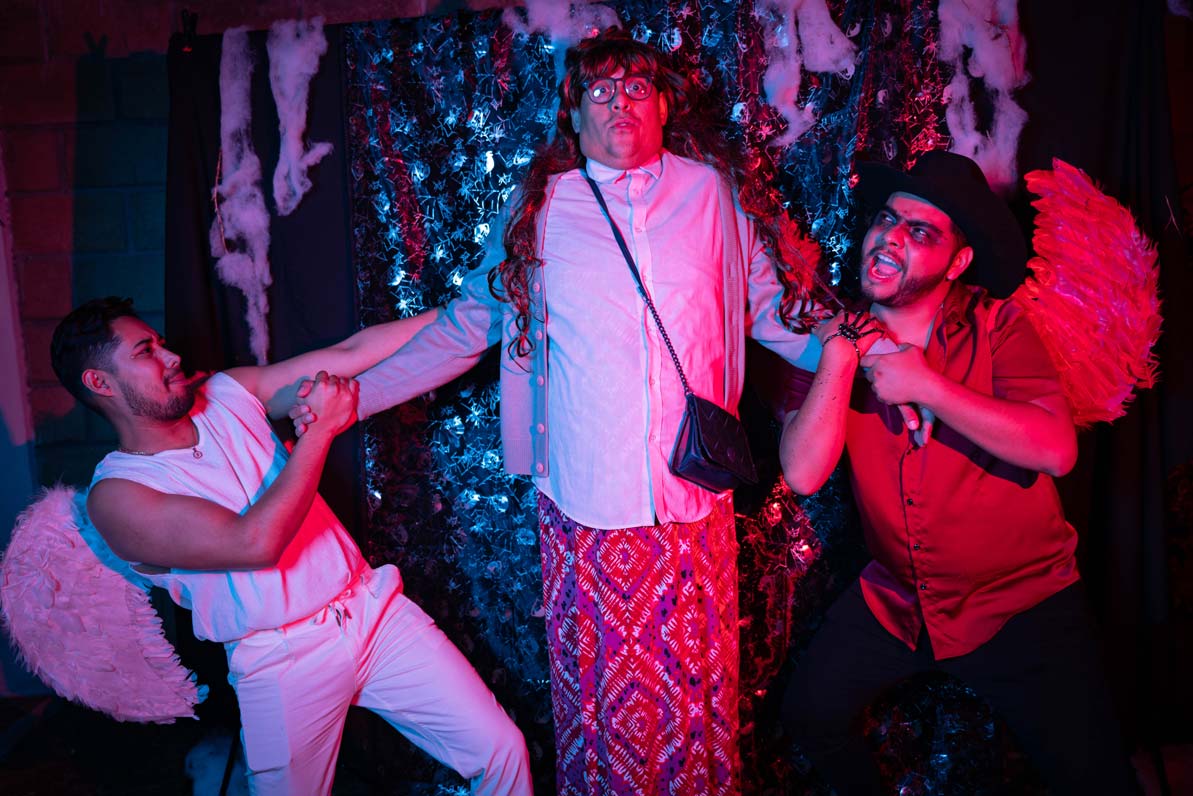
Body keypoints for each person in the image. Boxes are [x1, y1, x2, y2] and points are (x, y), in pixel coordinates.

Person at [291, 27, 821, 796]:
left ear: (663, 104)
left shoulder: (711, 195)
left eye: (635, 87)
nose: (619, 104)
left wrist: (866, 358)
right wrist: (356, 400)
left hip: (691, 505)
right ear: (572, 115)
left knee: (694, 711)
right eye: (599, 91)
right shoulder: (542, 209)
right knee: (608, 722)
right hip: (586, 513)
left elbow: (771, 312)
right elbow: (466, 329)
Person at [49, 297, 532, 796]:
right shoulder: (118, 496)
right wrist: (320, 430)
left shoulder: (226, 392)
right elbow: (254, 543)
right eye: (145, 351)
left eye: (161, 344)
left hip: (369, 611)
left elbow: (350, 353)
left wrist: (478, 304)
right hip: (282, 659)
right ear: (100, 382)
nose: (171, 357)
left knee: (501, 751)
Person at [777, 151, 1134, 794]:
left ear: (958, 261)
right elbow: (803, 474)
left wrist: (928, 387)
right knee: (810, 714)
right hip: (898, 602)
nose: (891, 237)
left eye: (920, 231)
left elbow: (1056, 449)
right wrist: (840, 353)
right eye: (887, 219)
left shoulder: (999, 327)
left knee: (1094, 780)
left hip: (1020, 604)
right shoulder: (837, 337)